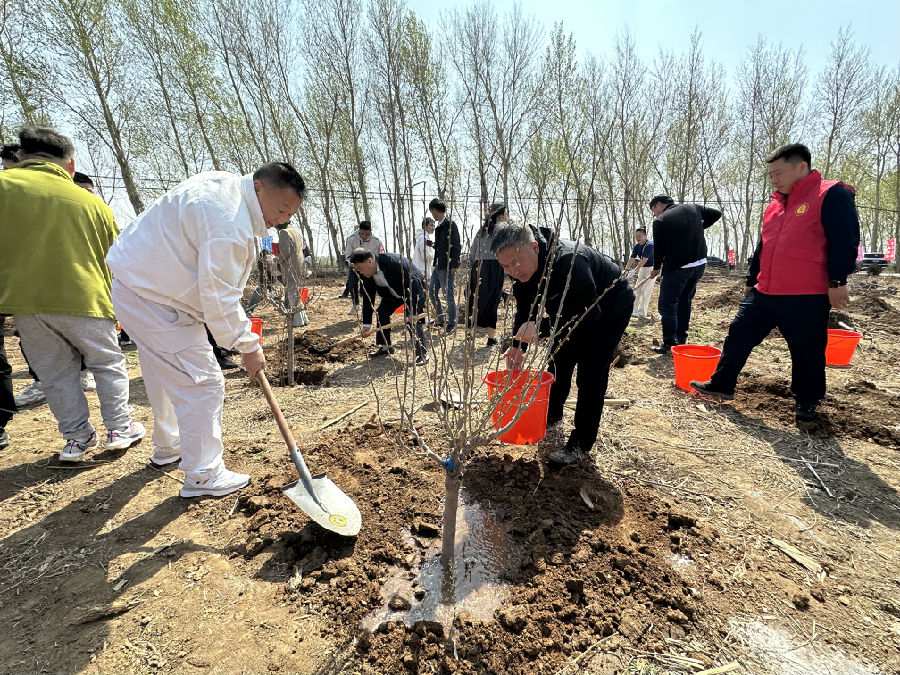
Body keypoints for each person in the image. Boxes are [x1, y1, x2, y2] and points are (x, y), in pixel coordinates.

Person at [106, 162, 306, 497]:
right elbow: (219, 294)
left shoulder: (222, 187)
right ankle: (203, 474)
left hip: (139, 287)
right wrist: (248, 345)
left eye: (290, 214)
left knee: (164, 373)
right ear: (259, 187)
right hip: (157, 300)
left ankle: (169, 446)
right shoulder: (229, 222)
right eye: (281, 208)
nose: (282, 219)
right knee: (203, 383)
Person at [0, 126, 145, 461]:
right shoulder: (92, 204)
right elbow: (118, 256)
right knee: (107, 364)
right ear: (69, 164)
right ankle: (120, 428)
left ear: (21, 157)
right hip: (87, 298)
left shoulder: (5, 188)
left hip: (27, 302)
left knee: (55, 373)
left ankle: (77, 439)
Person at [691, 143, 860, 421]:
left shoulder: (831, 194)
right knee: (739, 333)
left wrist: (837, 280)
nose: (774, 179)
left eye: (779, 173)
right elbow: (763, 246)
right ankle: (722, 384)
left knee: (807, 349)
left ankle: (807, 401)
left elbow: (846, 239)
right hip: (766, 291)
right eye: (771, 174)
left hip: (806, 293)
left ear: (801, 167)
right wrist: (751, 279)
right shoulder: (774, 205)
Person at [492, 222, 634, 467]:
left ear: (534, 248)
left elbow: (589, 315)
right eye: (504, 267)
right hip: (568, 309)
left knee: (591, 372)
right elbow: (526, 308)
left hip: (609, 306)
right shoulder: (523, 270)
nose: (512, 271)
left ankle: (581, 443)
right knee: (558, 361)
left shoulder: (570, 262)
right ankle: (553, 414)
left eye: (515, 263)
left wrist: (542, 328)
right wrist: (518, 346)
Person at [14, 170, 99, 406]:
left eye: (90, 193)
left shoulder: (94, 216)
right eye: (82, 192)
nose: (87, 197)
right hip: (39, 295)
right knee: (46, 351)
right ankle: (42, 382)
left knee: (90, 342)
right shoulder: (43, 218)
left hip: (85, 292)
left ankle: (85, 373)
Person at [648, 195, 721, 353]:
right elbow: (716, 214)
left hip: (677, 268)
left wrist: (656, 268)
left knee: (667, 305)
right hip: (699, 264)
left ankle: (669, 343)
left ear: (659, 205)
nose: (654, 214)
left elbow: (658, 249)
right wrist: (700, 227)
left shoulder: (660, 221)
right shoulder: (693, 208)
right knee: (684, 301)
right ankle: (681, 338)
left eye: (653, 210)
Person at [350, 248, 429, 366]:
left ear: (370, 261)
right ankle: (385, 346)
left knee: (411, 320)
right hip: (392, 294)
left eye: (360, 268)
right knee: (381, 312)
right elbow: (368, 298)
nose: (360, 272)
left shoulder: (394, 262)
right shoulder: (367, 275)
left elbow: (414, 284)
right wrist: (366, 325)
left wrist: (413, 310)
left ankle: (422, 354)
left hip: (414, 290)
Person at [467, 202, 507, 346]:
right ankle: (490, 338)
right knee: (493, 302)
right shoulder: (502, 232)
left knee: (475, 300)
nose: (507, 217)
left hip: (478, 267)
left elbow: (472, 252)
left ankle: (469, 334)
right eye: (506, 215)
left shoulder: (481, 231)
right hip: (495, 267)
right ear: (500, 216)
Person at [428, 198, 461, 332]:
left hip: (447, 265)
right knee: (432, 292)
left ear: (435, 211)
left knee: (448, 295)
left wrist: (454, 265)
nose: (432, 215)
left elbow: (456, 245)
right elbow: (443, 246)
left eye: (432, 212)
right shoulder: (439, 227)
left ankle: (452, 323)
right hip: (438, 265)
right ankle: (441, 319)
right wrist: (434, 245)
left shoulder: (450, 225)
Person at [341, 221, 384, 316]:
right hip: (355, 266)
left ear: (371, 232)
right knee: (352, 285)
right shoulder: (351, 239)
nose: (364, 236)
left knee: (367, 288)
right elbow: (348, 254)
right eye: (362, 234)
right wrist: (353, 263)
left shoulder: (376, 241)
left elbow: (376, 257)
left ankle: (366, 311)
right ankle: (355, 304)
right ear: (359, 230)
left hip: (368, 268)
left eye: (367, 234)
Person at [624, 227, 655, 319]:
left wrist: (635, 270)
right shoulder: (637, 246)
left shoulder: (650, 244)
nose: (638, 238)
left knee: (645, 290)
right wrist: (626, 270)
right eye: (636, 236)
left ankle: (642, 313)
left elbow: (644, 260)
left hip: (652, 269)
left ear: (645, 236)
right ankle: (634, 310)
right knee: (637, 289)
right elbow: (632, 258)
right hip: (643, 268)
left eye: (640, 236)